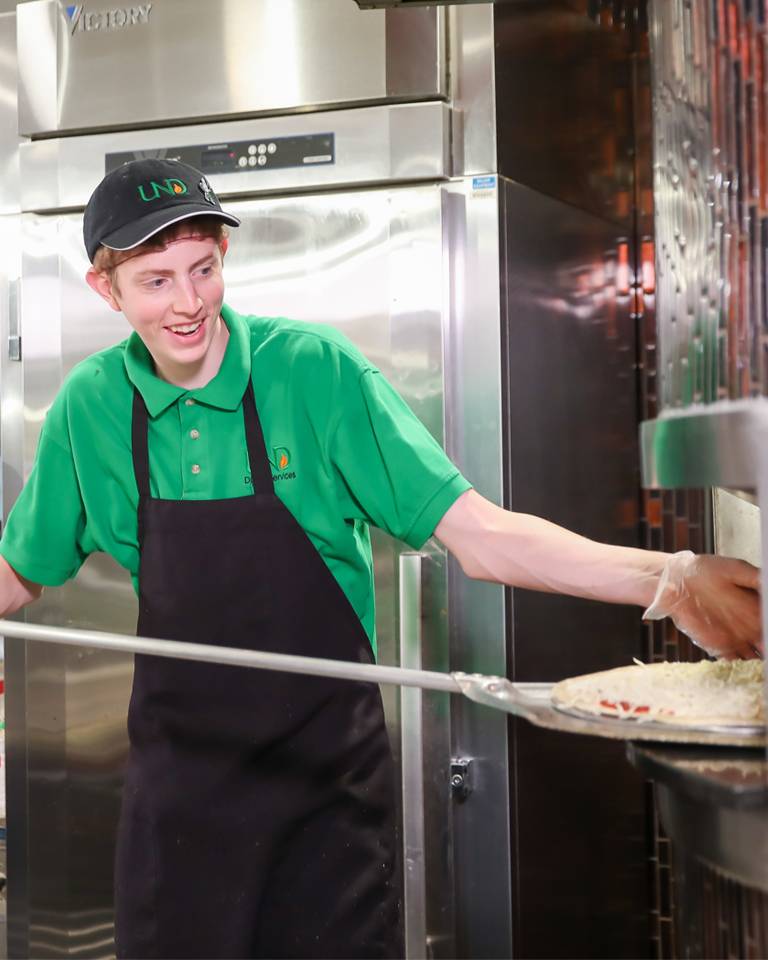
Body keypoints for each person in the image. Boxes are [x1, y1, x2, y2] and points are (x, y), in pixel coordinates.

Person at [0, 159, 760, 960]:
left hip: (324, 799)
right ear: (104, 289)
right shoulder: (88, 407)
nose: (187, 304)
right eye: (155, 282)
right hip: (182, 804)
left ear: (225, 255)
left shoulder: (315, 372)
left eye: (204, 269)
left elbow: (482, 536)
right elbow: (20, 571)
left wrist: (669, 579)